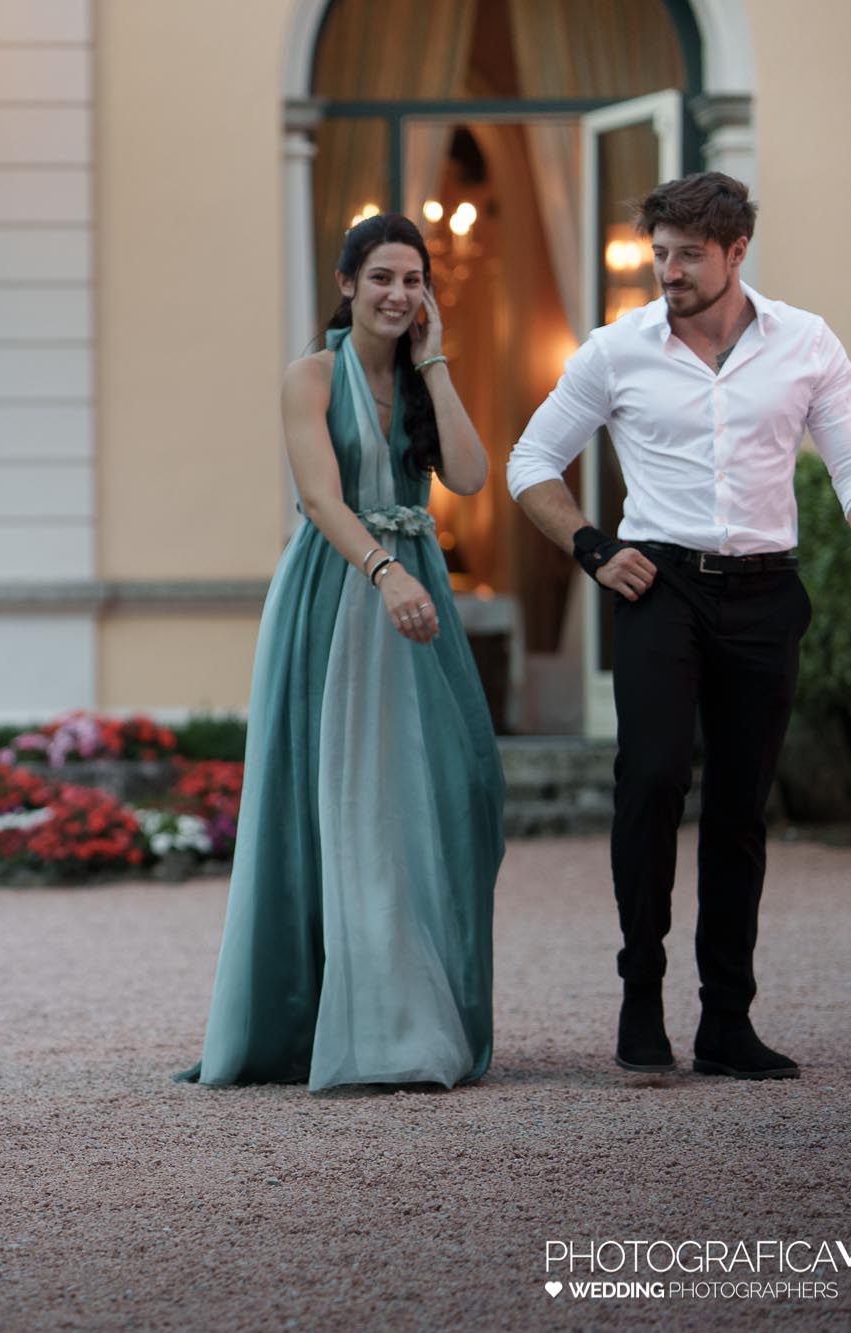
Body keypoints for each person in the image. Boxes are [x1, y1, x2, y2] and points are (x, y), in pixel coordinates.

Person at [506, 171, 851, 1080]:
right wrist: (591, 547)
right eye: (661, 254)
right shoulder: (617, 350)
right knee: (650, 781)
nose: (670, 272)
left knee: (738, 808)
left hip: (767, 596)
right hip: (660, 586)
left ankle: (726, 1019)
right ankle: (640, 998)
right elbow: (531, 460)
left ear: (736, 253)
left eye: (690, 255)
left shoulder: (806, 343)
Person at [182, 214, 504, 1093]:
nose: (397, 295)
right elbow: (321, 499)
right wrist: (386, 574)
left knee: (458, 789)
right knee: (349, 801)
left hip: (417, 592)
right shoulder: (310, 376)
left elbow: (472, 477)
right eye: (381, 279)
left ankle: (419, 1003)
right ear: (347, 283)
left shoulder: (421, 374)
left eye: (413, 280)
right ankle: (372, 1025)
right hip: (339, 592)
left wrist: (435, 360)